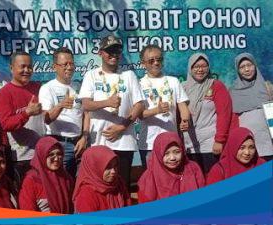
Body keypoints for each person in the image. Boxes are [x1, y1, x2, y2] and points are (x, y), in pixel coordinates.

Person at [78, 35, 145, 189]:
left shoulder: (129, 75)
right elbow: (86, 104)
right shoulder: (91, 75)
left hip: (124, 143)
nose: (114, 54)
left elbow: (139, 105)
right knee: (101, 188)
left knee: (122, 188)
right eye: (109, 51)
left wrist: (122, 127)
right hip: (99, 142)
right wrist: (107, 102)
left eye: (117, 50)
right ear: (101, 53)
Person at [0, 51, 44, 187]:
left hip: (42, 154)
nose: (26, 70)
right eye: (22, 67)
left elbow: (46, 117)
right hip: (22, 159)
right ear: (11, 68)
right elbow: (6, 124)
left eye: (29, 67)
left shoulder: (38, 88)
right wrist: (26, 113)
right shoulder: (4, 94)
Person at [39, 47, 90, 177]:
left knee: (81, 184)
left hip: (80, 143)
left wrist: (84, 137)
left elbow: (86, 114)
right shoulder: (47, 88)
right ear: (55, 67)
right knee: (62, 184)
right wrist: (61, 105)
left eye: (71, 63)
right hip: (59, 144)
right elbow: (46, 118)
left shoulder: (79, 87)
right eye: (64, 64)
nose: (69, 67)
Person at [138, 44, 190, 168]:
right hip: (149, 144)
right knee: (152, 182)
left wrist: (185, 120)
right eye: (151, 60)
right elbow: (139, 115)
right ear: (143, 63)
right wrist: (157, 110)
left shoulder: (173, 81)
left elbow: (183, 106)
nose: (156, 63)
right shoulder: (139, 84)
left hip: (172, 143)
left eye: (159, 59)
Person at [183, 53, 234, 173]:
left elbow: (224, 114)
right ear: (190, 68)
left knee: (211, 179)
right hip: (188, 144)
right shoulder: (183, 88)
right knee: (193, 181)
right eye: (196, 66)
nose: (200, 70)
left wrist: (219, 140)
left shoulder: (216, 86)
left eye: (204, 66)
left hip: (210, 144)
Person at [137, 132, 205, 203]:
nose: (172, 158)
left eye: (177, 152)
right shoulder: (148, 178)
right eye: (166, 153)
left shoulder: (193, 168)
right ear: (158, 154)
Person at [230, 53, 273, 161]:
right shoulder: (232, 91)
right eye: (242, 67)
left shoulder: (268, 87)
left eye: (249, 65)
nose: (247, 69)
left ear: (255, 66)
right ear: (237, 70)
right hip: (245, 147)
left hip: (268, 145)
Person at [19, 136, 74, 213]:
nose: (56, 159)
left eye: (59, 154)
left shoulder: (66, 178)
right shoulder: (32, 181)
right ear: (42, 155)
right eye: (51, 155)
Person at [73, 146, 131, 213]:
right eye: (108, 167)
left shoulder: (119, 184)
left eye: (115, 166)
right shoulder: (86, 194)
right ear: (95, 168)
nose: (113, 171)